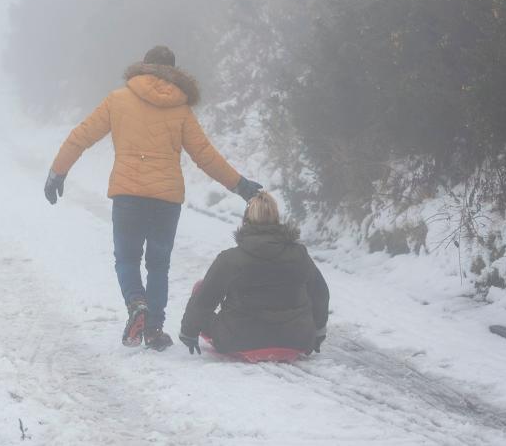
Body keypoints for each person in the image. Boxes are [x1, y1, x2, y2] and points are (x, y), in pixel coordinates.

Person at [44, 45, 262, 351]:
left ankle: (136, 304)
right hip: (166, 199)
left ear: (144, 67)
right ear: (174, 72)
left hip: (128, 196)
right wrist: (240, 186)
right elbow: (205, 156)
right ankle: (154, 330)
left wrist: (58, 172)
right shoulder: (181, 109)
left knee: (127, 259)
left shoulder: (118, 100)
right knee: (159, 265)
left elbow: (82, 135)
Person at [178, 192, 329, 360]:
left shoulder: (230, 259)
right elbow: (320, 293)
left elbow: (205, 300)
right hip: (296, 339)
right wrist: (318, 332)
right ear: (277, 219)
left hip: (240, 338)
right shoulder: (299, 255)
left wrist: (188, 331)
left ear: (245, 221)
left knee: (201, 287)